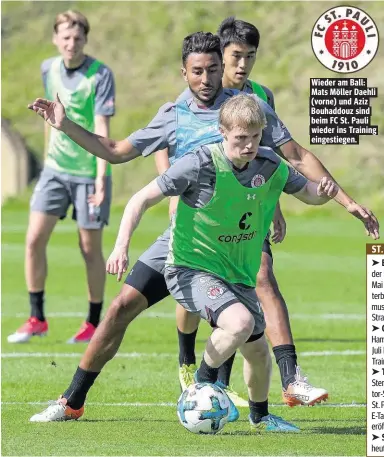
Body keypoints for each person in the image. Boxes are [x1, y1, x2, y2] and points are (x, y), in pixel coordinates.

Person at [27, 32, 379, 422]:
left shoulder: (248, 109)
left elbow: (293, 157)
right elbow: (115, 152)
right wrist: (65, 125)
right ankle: (71, 400)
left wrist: (346, 202)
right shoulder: (174, 114)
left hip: (238, 235)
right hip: (186, 238)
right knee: (120, 308)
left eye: (214, 69)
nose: (207, 79)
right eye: (198, 71)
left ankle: (281, 381)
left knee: (259, 286)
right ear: (185, 73)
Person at [107, 94, 337, 431]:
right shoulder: (199, 162)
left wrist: (324, 193)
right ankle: (202, 382)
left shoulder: (271, 164)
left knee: (258, 353)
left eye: (255, 137)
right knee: (240, 323)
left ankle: (261, 417)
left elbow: (309, 194)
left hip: (237, 273)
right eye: (240, 138)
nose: (249, 145)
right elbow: (141, 198)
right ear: (222, 131)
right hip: (191, 268)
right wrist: (120, 246)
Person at [154, 17, 294, 407]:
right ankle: (190, 363)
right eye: (235, 56)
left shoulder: (259, 97)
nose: (242, 65)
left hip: (245, 215)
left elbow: (271, 160)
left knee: (253, 288)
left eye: (250, 56)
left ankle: (265, 387)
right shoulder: (195, 97)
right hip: (198, 210)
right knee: (193, 299)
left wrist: (274, 205)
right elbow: (167, 143)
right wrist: (171, 194)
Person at [8, 10, 115, 344]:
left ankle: (94, 323)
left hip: (88, 173)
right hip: (54, 171)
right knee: (34, 239)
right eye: (66, 37)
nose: (72, 43)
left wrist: (101, 177)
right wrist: (44, 167)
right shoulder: (48, 68)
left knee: (89, 248)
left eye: (78, 37)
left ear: (86, 39)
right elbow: (49, 118)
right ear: (55, 39)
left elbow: (102, 127)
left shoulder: (100, 75)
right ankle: (36, 317)